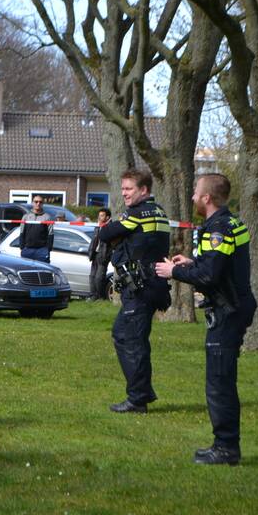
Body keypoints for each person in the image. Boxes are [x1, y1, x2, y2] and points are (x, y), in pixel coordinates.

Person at [156, 173, 256, 465]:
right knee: (220, 379)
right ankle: (224, 445)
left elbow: (210, 276)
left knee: (219, 382)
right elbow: (219, 265)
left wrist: (174, 272)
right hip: (234, 306)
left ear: (207, 198)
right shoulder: (230, 223)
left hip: (228, 310)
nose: (192, 198)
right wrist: (192, 262)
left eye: (196, 193)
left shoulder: (219, 229)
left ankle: (226, 449)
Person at [96, 169, 171, 414]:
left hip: (140, 288)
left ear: (144, 190)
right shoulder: (159, 211)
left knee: (131, 339)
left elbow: (107, 234)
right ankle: (141, 392)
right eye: (123, 188)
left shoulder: (137, 214)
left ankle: (138, 399)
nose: (124, 193)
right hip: (153, 285)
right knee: (127, 336)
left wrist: (108, 227)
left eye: (129, 189)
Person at [19, 195, 55, 262]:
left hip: (42, 250)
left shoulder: (47, 217)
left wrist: (48, 249)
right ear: (33, 203)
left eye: (40, 202)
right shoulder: (26, 217)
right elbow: (22, 232)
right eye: (36, 202)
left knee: (43, 271)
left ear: (42, 204)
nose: (38, 203)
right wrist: (22, 247)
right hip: (27, 249)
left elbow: (51, 234)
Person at [88, 208, 112, 300]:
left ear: (107, 217)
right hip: (95, 254)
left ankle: (101, 297)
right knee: (92, 276)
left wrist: (107, 255)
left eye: (102, 215)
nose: (99, 217)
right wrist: (90, 252)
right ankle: (93, 296)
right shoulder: (97, 226)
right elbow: (94, 241)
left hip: (103, 255)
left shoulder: (110, 227)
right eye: (99, 215)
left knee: (99, 278)